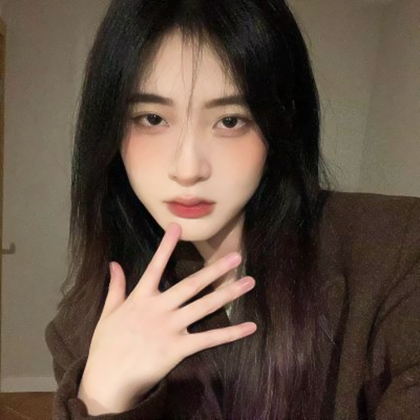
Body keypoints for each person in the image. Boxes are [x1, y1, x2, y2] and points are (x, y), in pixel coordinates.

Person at [44, 0, 420, 419]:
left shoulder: (396, 254)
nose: (188, 168)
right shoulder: (85, 327)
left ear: (281, 123)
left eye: (230, 121)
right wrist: (100, 397)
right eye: (151, 118)